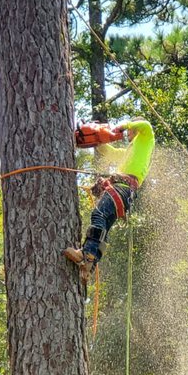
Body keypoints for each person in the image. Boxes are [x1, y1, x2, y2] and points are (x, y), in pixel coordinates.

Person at [64, 117, 155, 281]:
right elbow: (109, 152)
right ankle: (89, 266)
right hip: (124, 191)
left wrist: (121, 126)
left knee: (98, 215)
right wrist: (97, 138)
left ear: (134, 130)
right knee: (104, 225)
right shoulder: (130, 151)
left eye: (130, 130)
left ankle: (87, 254)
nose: (127, 134)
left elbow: (145, 125)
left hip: (123, 187)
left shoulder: (146, 139)